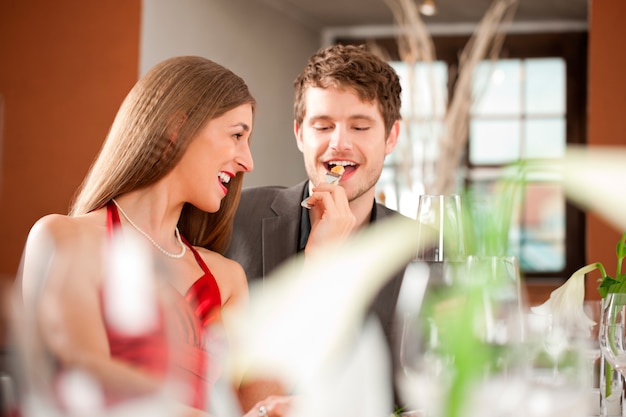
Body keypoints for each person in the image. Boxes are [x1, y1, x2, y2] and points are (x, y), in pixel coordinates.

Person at [16, 56, 289, 417]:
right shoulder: (63, 240)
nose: (247, 161)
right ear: (178, 128)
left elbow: (256, 406)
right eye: (237, 135)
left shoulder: (226, 280)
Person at [225, 43, 406, 411]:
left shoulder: (419, 247)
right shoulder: (233, 218)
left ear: (391, 137)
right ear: (299, 134)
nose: (339, 143)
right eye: (323, 126)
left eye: (359, 126)